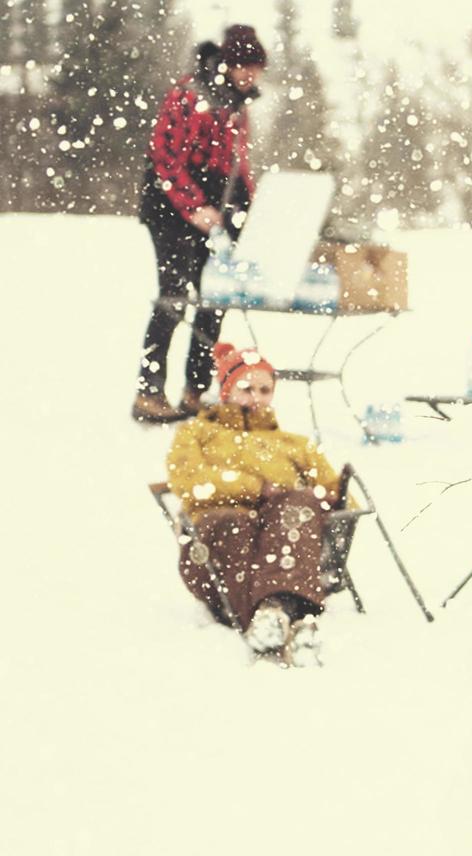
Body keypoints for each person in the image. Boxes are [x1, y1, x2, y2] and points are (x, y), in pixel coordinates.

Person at [167, 343, 343, 665]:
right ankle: (283, 615)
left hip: (280, 538)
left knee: (298, 505)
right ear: (227, 391)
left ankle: (274, 613)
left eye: (265, 389)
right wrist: (256, 488)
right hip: (215, 540)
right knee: (237, 524)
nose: (256, 397)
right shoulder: (196, 432)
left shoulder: (294, 444)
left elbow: (333, 491)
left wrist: (323, 498)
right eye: (246, 388)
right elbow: (189, 480)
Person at [132, 25, 267, 423]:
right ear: (227, 63)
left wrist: (251, 208)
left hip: (214, 214)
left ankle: (196, 390)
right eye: (243, 66)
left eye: (255, 68)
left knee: (213, 300)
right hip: (170, 211)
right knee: (174, 297)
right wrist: (193, 207)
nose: (250, 75)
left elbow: (236, 166)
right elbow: (165, 158)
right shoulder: (189, 95)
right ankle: (148, 391)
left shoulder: (238, 107)